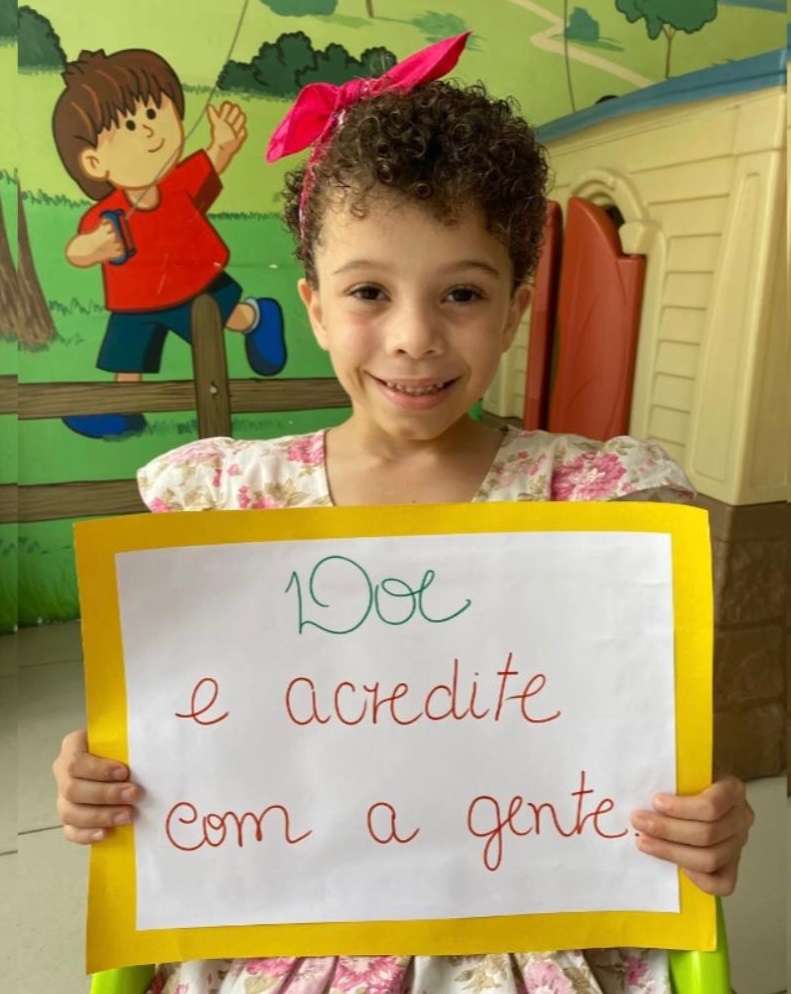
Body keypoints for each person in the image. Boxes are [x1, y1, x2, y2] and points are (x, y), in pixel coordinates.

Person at [53, 33, 753, 994]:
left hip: (525, 919)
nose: (414, 336)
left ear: (513, 311)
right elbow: (180, 740)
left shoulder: (591, 504)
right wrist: (107, 780)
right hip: (287, 917)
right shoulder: (229, 505)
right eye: (368, 292)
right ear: (313, 307)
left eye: (461, 292)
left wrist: (703, 816)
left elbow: (646, 747)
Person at [52, 48, 287, 439]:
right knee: (126, 354)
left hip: (197, 283)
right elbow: (76, 250)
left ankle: (257, 317)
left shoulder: (178, 183)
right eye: (129, 124)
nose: (148, 130)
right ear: (94, 163)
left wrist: (223, 144)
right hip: (135, 301)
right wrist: (92, 247)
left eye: (153, 113)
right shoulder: (107, 214)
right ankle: (124, 410)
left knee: (224, 318)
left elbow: (212, 162)